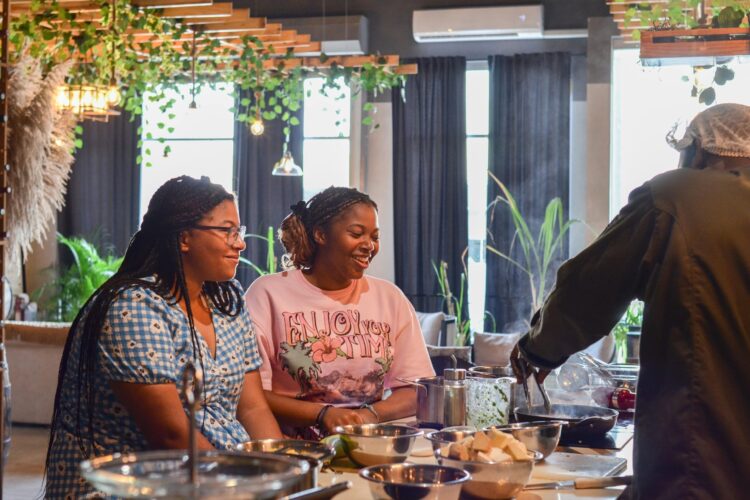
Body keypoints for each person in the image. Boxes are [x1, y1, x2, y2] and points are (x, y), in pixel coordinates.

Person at [509, 103, 750, 499]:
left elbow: (588, 289)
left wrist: (538, 349)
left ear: (700, 152)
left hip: (701, 456)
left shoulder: (675, 196)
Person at [45, 176, 282, 499]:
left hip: (219, 474)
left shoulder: (227, 300)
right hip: (133, 487)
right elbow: (170, 436)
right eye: (227, 231)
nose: (239, 243)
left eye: (238, 232)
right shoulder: (134, 307)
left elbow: (252, 409)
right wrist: (244, 488)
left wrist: (282, 474)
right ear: (184, 237)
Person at [244, 186, 434, 438]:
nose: (369, 245)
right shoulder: (267, 293)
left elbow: (415, 390)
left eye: (375, 237)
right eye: (357, 233)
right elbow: (251, 396)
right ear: (321, 234)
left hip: (366, 444)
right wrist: (323, 414)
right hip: (290, 448)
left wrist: (368, 416)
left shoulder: (389, 298)